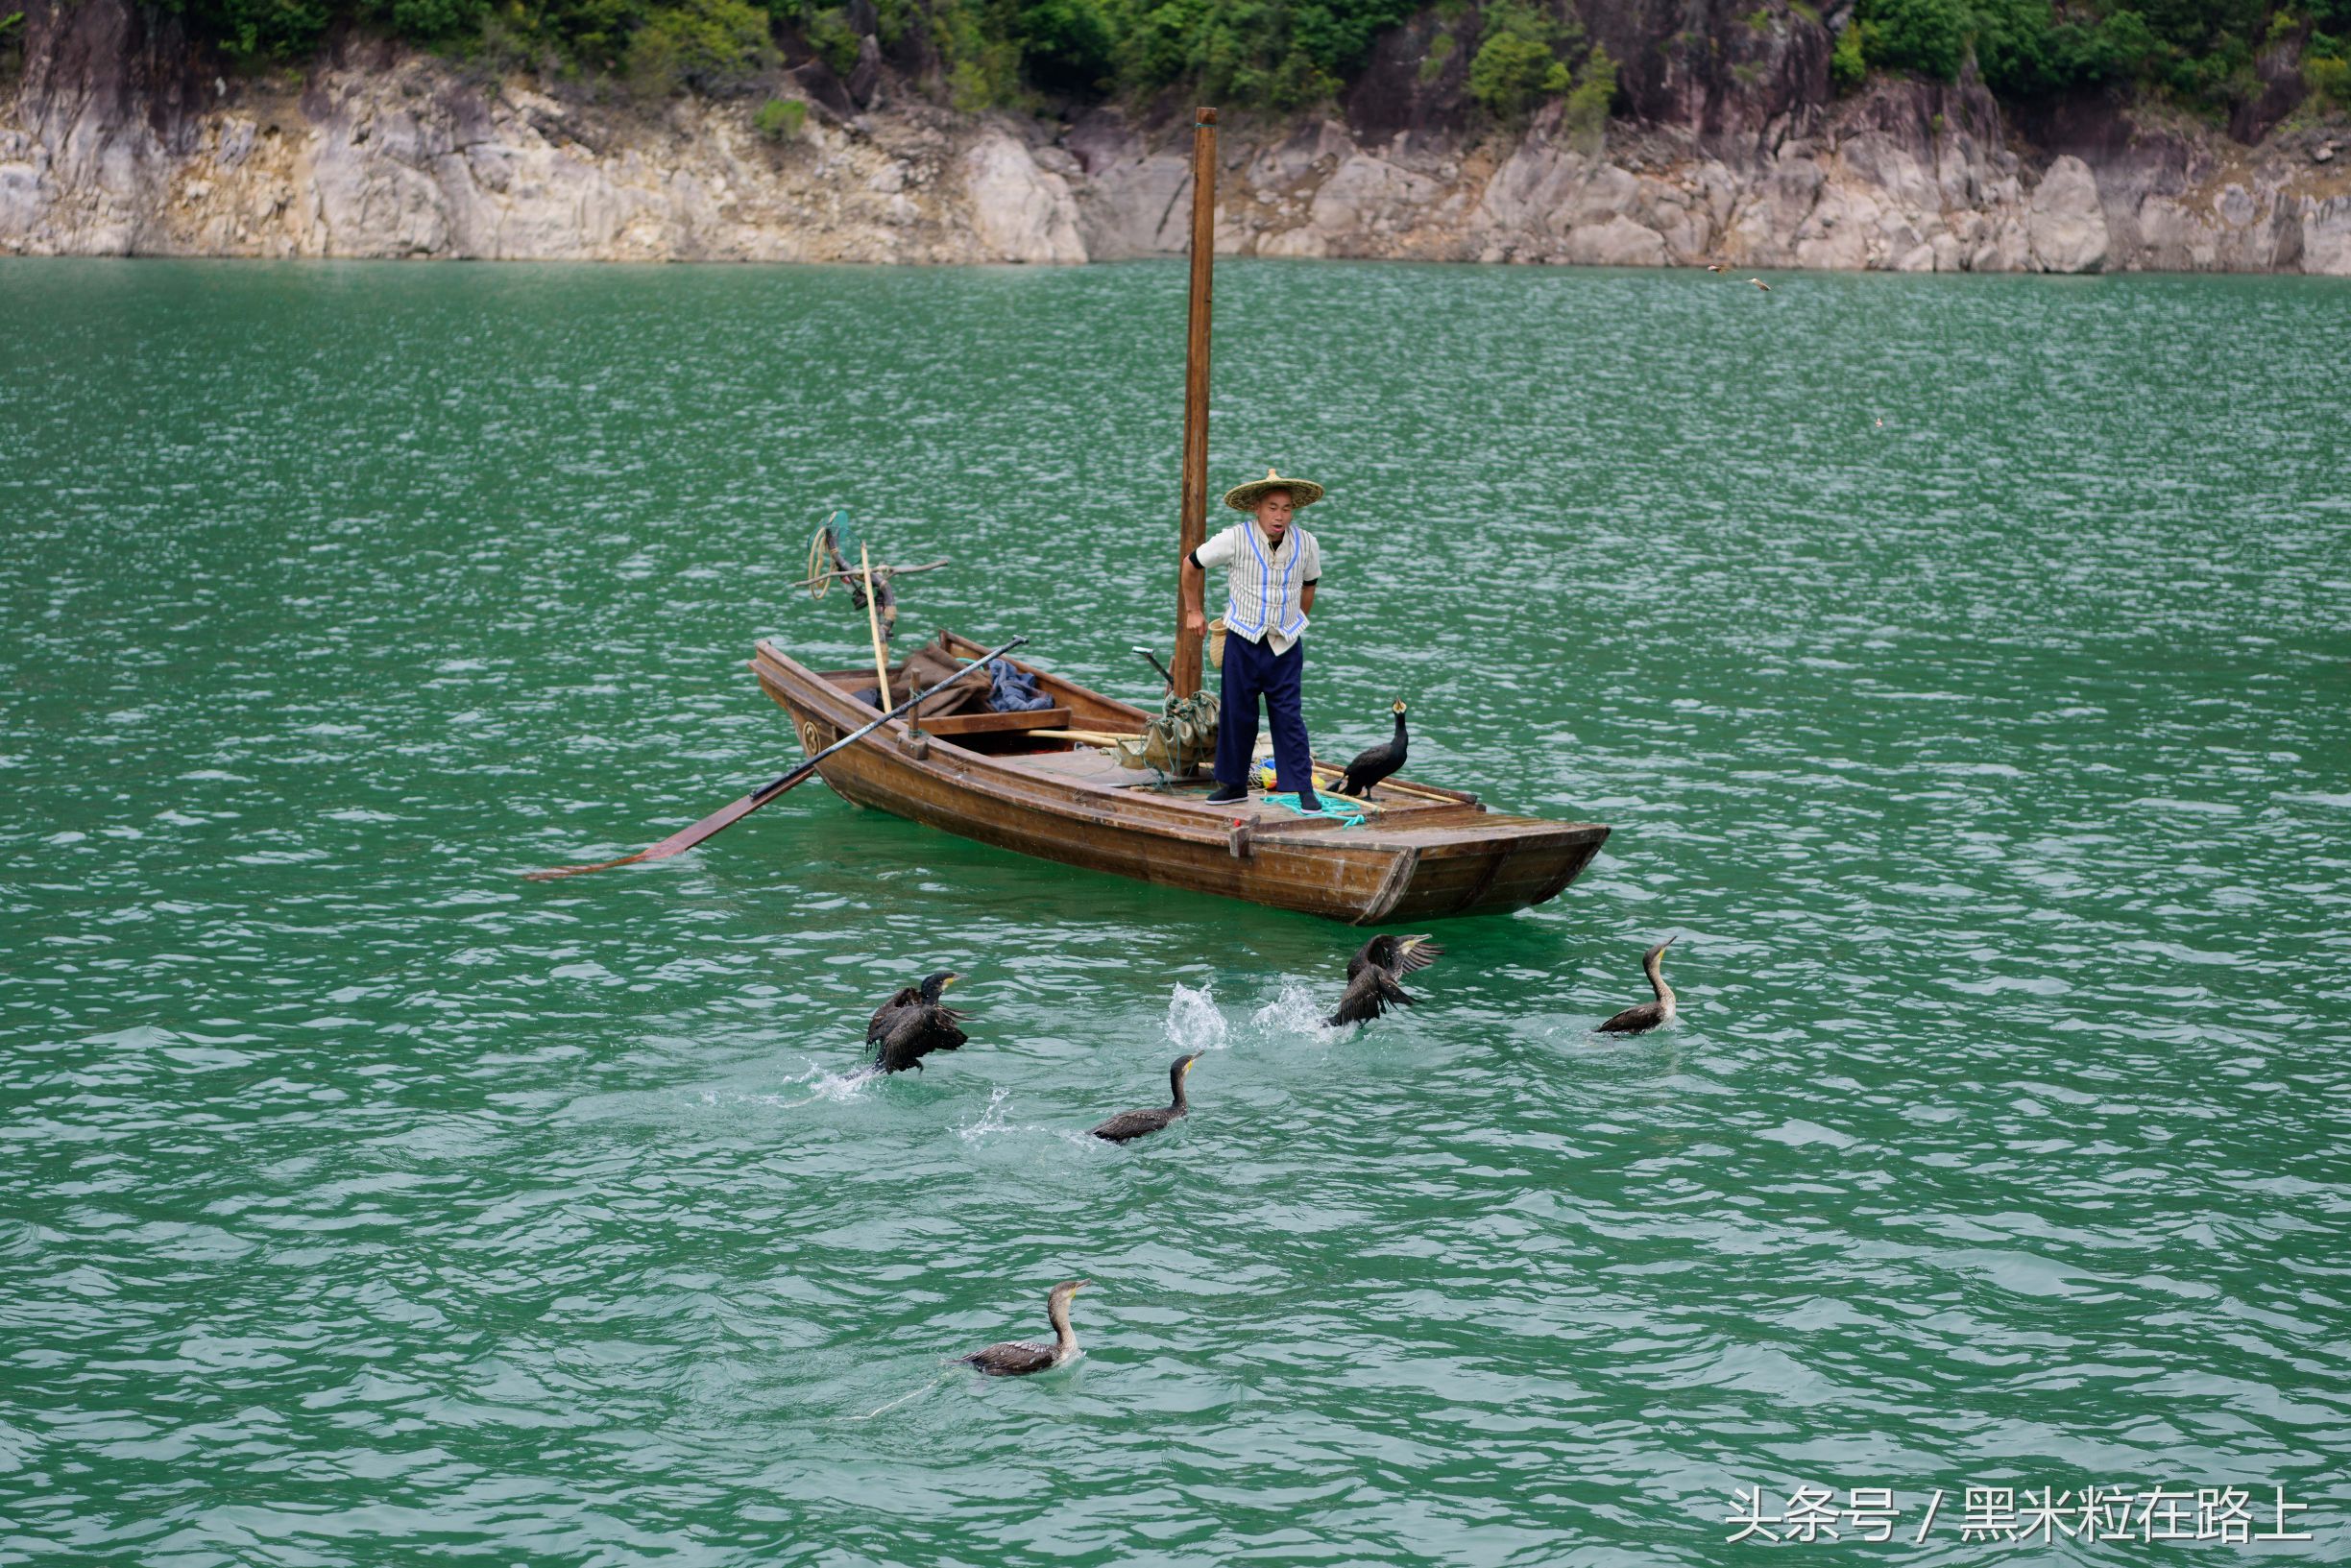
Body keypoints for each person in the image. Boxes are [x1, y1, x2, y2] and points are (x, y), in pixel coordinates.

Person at [1182, 468, 1324, 808]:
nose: (1280, 516)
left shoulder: (1307, 543)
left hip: (1285, 645)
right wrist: (1193, 611)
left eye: (1287, 508)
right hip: (1243, 640)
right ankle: (1233, 785)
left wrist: (1296, 620)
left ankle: (1302, 787)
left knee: (1289, 715)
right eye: (1273, 507)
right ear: (1257, 509)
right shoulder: (1234, 538)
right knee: (1238, 714)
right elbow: (1191, 564)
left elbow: (1310, 586)